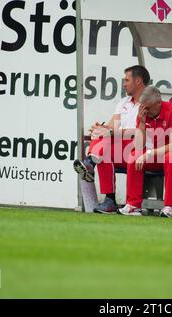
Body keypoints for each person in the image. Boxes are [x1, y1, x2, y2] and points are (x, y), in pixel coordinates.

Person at [73, 65, 150, 214]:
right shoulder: (123, 102)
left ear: (138, 81)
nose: (124, 84)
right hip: (122, 148)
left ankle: (90, 163)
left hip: (140, 148)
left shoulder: (149, 103)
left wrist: (110, 132)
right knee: (102, 142)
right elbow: (111, 126)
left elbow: (140, 132)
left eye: (127, 80)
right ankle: (109, 200)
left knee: (104, 144)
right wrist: (100, 128)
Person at [117, 86, 172, 217]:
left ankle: (169, 206)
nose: (146, 112)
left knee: (171, 157)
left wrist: (149, 153)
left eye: (149, 108)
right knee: (134, 155)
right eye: (144, 107)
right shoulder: (143, 112)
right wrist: (141, 123)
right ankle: (133, 205)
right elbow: (139, 146)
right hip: (158, 155)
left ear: (159, 103)